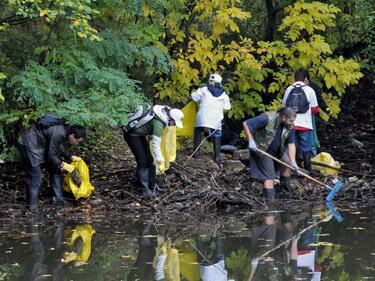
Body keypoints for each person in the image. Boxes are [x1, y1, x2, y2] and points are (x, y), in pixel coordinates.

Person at [17, 114, 85, 213]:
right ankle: (32, 208)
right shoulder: (59, 133)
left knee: (55, 169)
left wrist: (70, 156)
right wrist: (64, 165)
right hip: (28, 143)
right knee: (35, 176)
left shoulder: (66, 131)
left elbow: (59, 147)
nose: (77, 143)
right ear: (72, 136)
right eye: (77, 141)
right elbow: (51, 155)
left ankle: (58, 199)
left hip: (40, 144)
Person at [123, 105, 184, 200]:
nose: (174, 125)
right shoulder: (158, 123)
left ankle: (153, 185)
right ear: (170, 118)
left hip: (140, 134)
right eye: (174, 123)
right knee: (143, 161)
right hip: (132, 135)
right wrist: (160, 160)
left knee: (150, 160)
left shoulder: (164, 113)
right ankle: (144, 190)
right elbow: (156, 144)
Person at [243, 107, 299, 202]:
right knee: (269, 176)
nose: (292, 123)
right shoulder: (267, 118)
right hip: (262, 149)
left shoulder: (290, 126)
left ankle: (284, 193)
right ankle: (269, 202)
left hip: (278, 150)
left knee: (288, 164)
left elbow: (291, 144)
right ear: (283, 117)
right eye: (290, 120)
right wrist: (251, 141)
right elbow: (246, 124)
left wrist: (293, 162)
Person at [283, 69, 319, 171]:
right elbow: (314, 108)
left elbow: (284, 107)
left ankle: (292, 168)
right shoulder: (309, 90)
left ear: (294, 78)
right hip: (305, 124)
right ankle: (308, 170)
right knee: (306, 147)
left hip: (291, 123)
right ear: (306, 79)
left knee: (291, 144)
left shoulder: (289, 89)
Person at [192, 74, 231, 163]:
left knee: (198, 131)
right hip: (216, 120)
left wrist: (193, 91)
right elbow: (227, 108)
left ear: (209, 81)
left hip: (202, 118)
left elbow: (194, 98)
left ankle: (196, 152)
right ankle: (217, 157)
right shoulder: (224, 94)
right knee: (217, 134)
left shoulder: (203, 89)